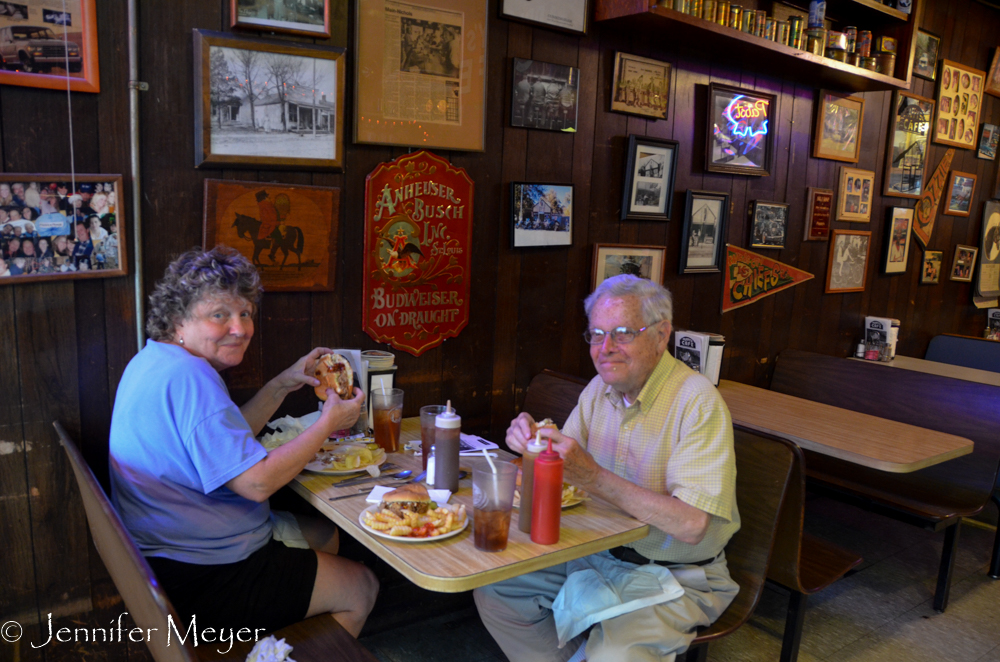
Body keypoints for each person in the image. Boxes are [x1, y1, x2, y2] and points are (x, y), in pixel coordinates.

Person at [109, 246, 378, 637]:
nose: (240, 328)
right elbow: (256, 483)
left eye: (245, 313)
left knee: (329, 536)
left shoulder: (158, 360)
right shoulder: (191, 380)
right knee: (363, 586)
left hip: (169, 551)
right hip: (206, 573)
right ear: (178, 320)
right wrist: (328, 422)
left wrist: (282, 384)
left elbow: (225, 440)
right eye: (219, 315)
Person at [475, 274, 739, 662]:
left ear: (662, 334)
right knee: (497, 592)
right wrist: (532, 443)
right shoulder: (600, 389)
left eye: (622, 333)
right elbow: (562, 468)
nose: (605, 348)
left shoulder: (697, 402)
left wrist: (593, 476)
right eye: (597, 334)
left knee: (614, 654)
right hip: (598, 556)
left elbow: (692, 525)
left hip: (677, 575)